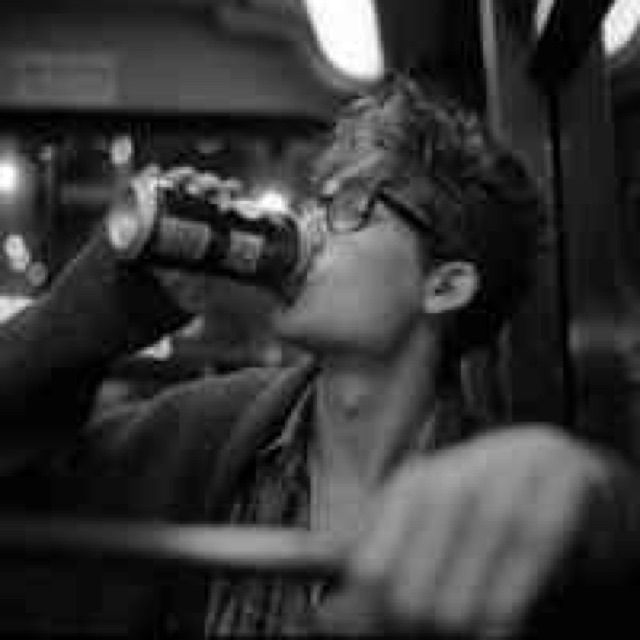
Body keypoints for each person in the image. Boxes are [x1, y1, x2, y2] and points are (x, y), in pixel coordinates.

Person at [0, 73, 639, 638]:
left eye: (351, 208)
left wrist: (597, 492)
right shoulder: (197, 432)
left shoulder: (492, 497)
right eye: (317, 204)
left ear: (444, 287)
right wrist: (110, 305)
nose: (309, 228)